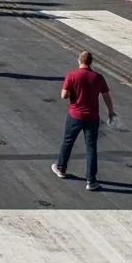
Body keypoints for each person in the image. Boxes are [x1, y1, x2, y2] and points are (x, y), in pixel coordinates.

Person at [51, 50, 114, 191]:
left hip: (75, 116)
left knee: (68, 142)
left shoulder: (72, 75)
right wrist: (110, 111)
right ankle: (91, 181)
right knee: (91, 148)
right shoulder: (98, 77)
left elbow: (64, 96)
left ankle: (61, 168)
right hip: (92, 118)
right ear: (91, 62)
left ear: (79, 60)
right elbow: (106, 96)